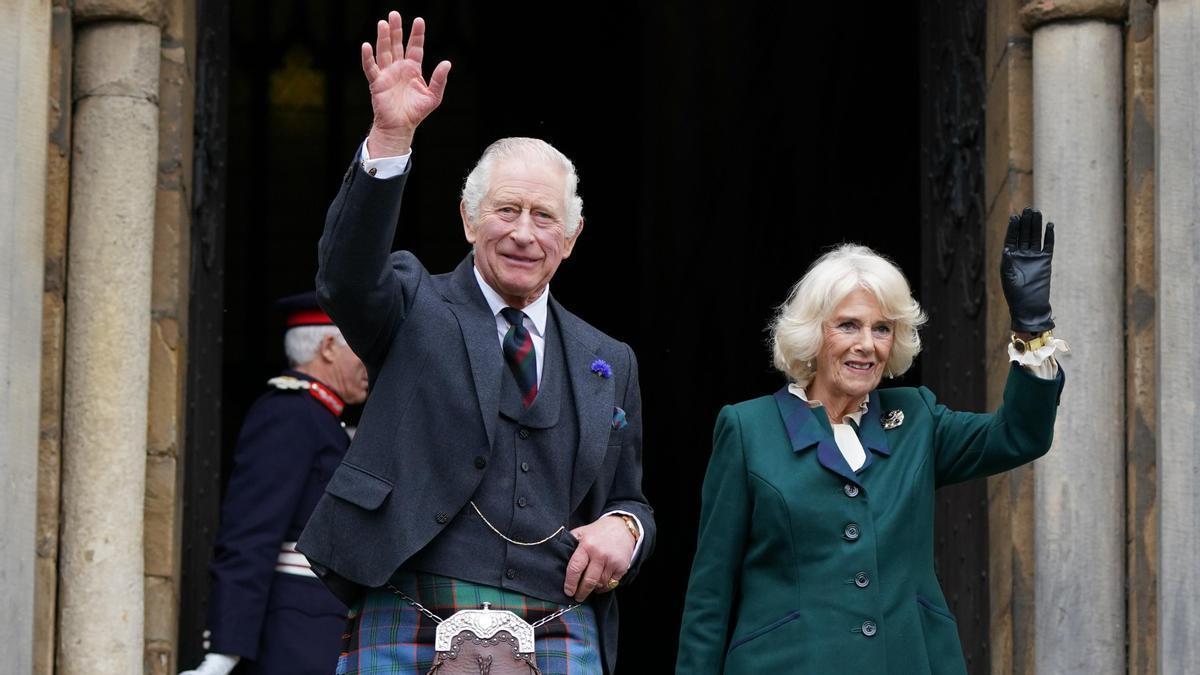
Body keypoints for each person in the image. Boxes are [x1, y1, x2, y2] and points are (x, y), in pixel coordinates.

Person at [295, 12, 654, 675]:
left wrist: (627, 528)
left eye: (545, 216)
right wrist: (391, 135)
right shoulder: (409, 302)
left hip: (554, 617)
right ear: (468, 218)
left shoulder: (611, 359)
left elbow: (627, 495)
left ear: (571, 238)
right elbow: (344, 276)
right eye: (506, 210)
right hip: (413, 602)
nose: (524, 232)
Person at [675, 209, 1066, 674]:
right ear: (813, 333)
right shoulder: (747, 429)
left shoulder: (917, 418)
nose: (867, 344)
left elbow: (1019, 436)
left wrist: (1032, 327)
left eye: (882, 329)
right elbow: (710, 592)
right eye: (848, 325)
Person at [181, 293, 369, 675]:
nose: (371, 361)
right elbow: (250, 534)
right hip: (293, 640)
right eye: (362, 348)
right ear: (329, 348)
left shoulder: (320, 419)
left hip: (317, 633)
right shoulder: (288, 414)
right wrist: (224, 651)